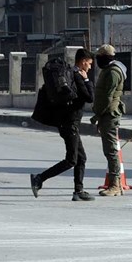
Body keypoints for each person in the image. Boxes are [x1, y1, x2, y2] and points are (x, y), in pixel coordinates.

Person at [30, 49, 96, 201]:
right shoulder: (77, 75)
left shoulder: (69, 74)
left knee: (81, 158)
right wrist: (87, 80)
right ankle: (39, 179)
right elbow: (89, 97)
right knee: (71, 160)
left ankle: (78, 191)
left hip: (67, 121)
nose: (90, 67)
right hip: (69, 123)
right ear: (83, 61)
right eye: (90, 64)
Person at [91, 44, 128, 197]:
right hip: (107, 113)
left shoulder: (112, 72)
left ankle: (115, 185)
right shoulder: (108, 70)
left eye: (99, 57)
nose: (97, 60)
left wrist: (97, 115)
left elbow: (107, 97)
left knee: (111, 150)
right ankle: (116, 184)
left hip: (109, 114)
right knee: (109, 150)